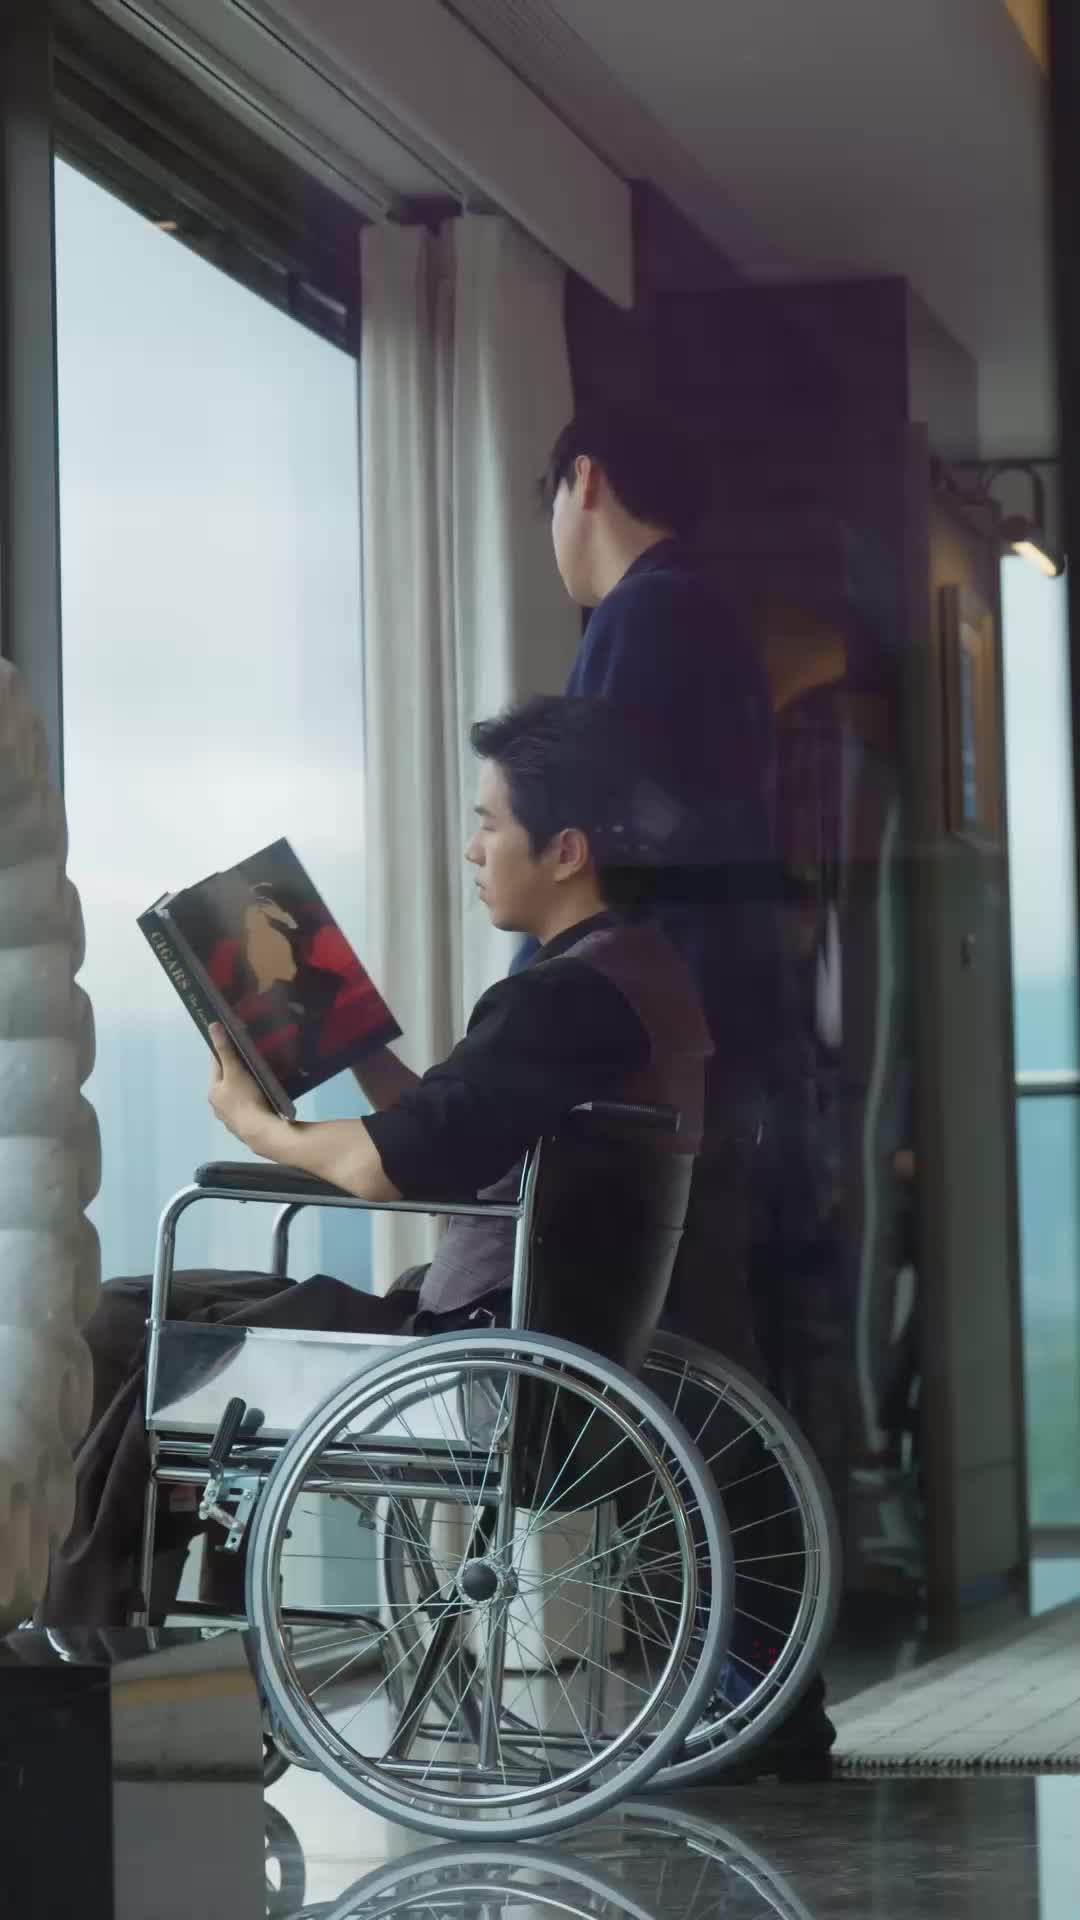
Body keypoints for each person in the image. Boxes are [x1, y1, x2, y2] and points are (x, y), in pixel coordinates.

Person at [39, 694, 711, 1626]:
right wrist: (347, 1035)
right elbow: (453, 1135)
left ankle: (82, 1637)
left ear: (566, 850)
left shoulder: (563, 1000)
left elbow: (386, 1168)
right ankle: (119, 1621)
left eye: (489, 825)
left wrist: (255, 1127)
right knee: (115, 1313)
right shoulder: (633, 975)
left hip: (472, 1362)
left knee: (156, 1364)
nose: (472, 850)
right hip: (520, 1338)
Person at [539, 407, 835, 1778]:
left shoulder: (648, 618)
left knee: (698, 1377)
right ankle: (758, 1691)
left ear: (585, 479)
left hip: (674, 1056)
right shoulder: (699, 618)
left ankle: (757, 1694)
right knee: (713, 1370)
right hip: (723, 1041)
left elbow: (600, 850)